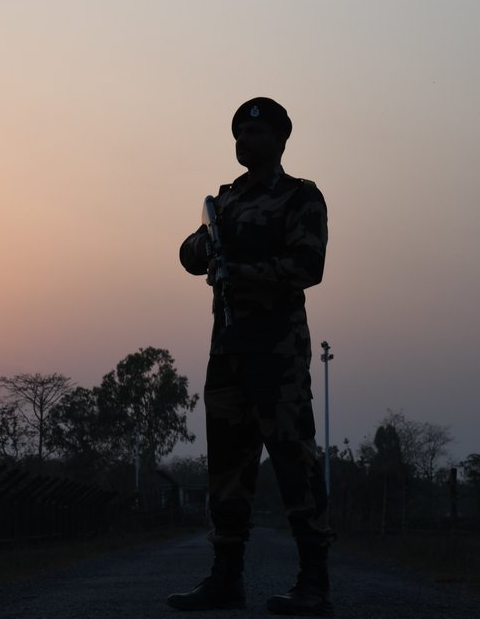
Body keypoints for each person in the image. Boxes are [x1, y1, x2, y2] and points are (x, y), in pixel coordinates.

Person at [168, 97, 334, 616]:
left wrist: (243, 271)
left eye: (256, 133)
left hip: (278, 351)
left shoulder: (299, 197)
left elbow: (308, 266)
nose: (245, 140)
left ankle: (314, 582)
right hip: (229, 351)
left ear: (281, 140)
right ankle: (225, 578)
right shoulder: (225, 202)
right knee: (227, 468)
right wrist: (207, 249)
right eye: (239, 133)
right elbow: (188, 255)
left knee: (293, 463)